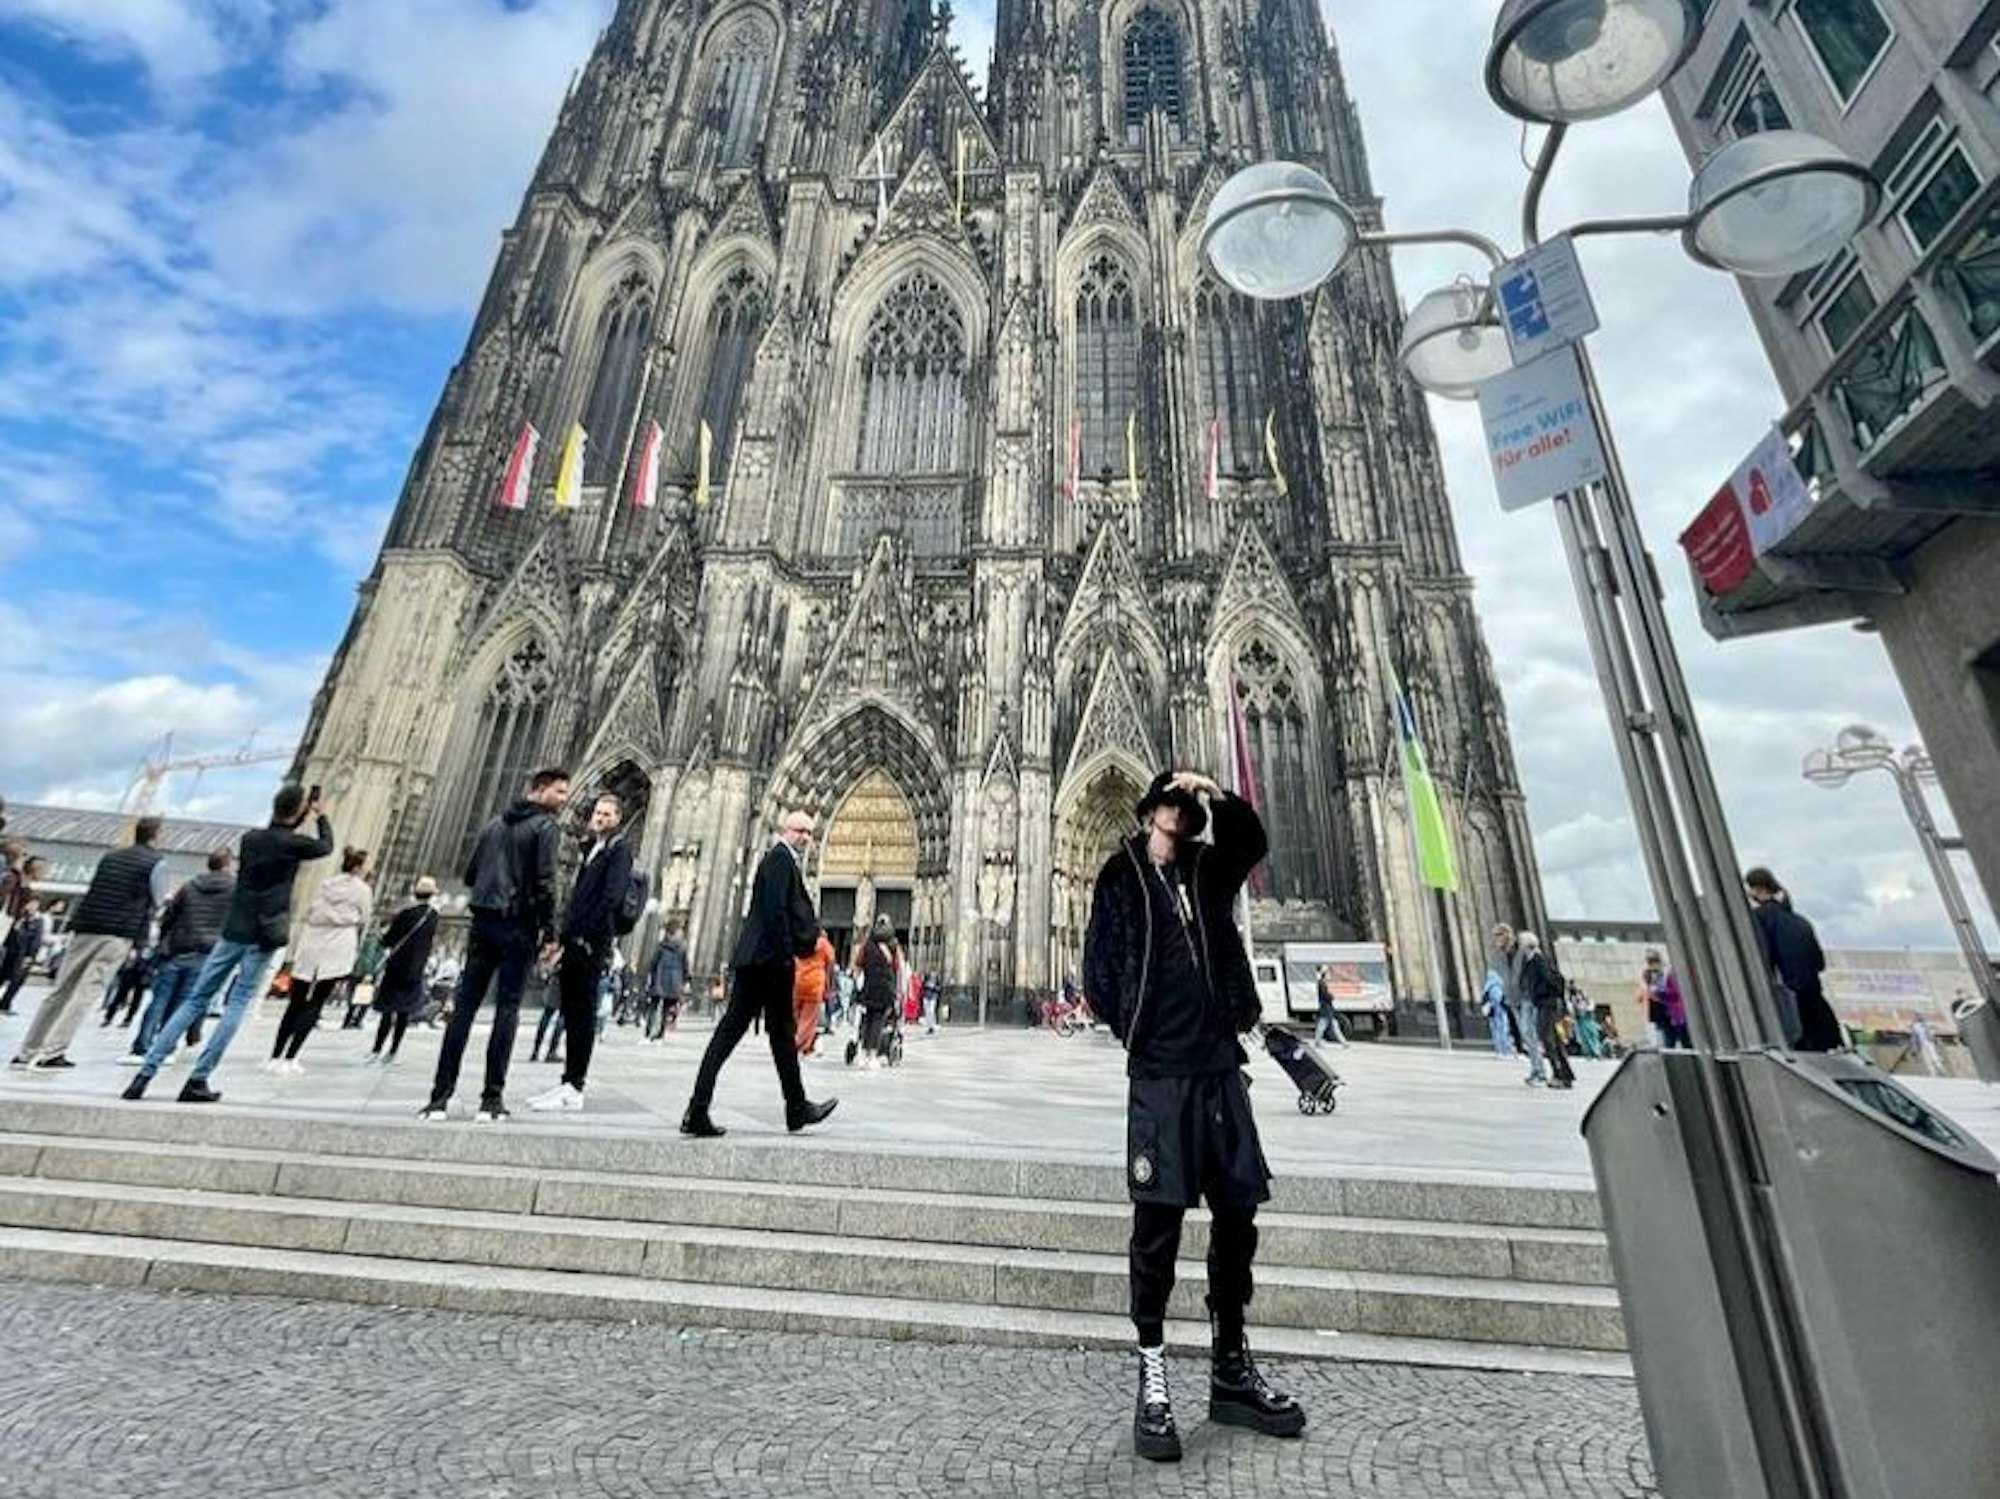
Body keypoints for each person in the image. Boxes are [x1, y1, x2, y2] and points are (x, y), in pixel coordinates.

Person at [1084, 769, 1304, 1464]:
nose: (1182, 811)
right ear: (1150, 810)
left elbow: (1253, 839)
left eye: (1188, 803)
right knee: (1157, 1226)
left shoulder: (1209, 872)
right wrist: (1135, 1025)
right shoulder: (1119, 877)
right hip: (1160, 1071)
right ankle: (1153, 1378)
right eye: (1173, 800)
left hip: (1217, 1067)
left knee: (1238, 1213)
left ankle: (1230, 1364)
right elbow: (1098, 970)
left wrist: (1215, 790)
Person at [121, 788, 333, 1102]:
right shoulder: (294, 844)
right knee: (238, 1002)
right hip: (263, 933)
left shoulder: (251, 839)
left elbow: (275, 835)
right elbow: (325, 846)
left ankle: (144, 1074)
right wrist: (321, 814)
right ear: (299, 811)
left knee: (196, 999)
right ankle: (199, 1078)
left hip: (235, 929)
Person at [420, 768, 567, 1122]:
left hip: (482, 923)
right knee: (507, 1009)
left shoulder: (493, 825)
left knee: (464, 1009)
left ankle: (439, 1098)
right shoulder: (545, 827)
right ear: (538, 790)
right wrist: (549, 930)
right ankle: (491, 1100)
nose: (564, 799)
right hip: (518, 924)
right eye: (560, 792)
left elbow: (471, 875)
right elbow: (546, 880)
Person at [679, 810, 836, 1138]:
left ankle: (796, 1107)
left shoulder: (782, 860)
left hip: (762, 961)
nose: (806, 837)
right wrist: (784, 957)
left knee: (779, 1036)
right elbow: (777, 911)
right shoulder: (779, 859)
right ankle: (699, 1109)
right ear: (785, 830)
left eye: (810, 833)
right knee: (733, 1035)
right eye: (800, 831)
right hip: (768, 963)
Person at [16, 817, 169, 1070]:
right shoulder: (157, 863)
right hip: (118, 932)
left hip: (86, 925)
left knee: (60, 990)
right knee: (86, 992)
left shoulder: (110, 857)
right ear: (157, 835)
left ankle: (27, 1049)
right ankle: (54, 1050)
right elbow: (157, 900)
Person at [530, 793, 634, 1113]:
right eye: (597, 812)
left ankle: (575, 1086)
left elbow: (612, 897)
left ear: (618, 818)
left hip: (588, 945)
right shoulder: (593, 849)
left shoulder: (619, 849)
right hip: (575, 942)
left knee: (582, 1014)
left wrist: (588, 936)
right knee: (572, 1013)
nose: (600, 818)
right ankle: (567, 1083)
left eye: (607, 813)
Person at [271, 847, 374, 1072]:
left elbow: (309, 911)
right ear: (357, 868)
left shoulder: (325, 884)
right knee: (316, 1003)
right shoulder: (362, 890)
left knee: (296, 1002)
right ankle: (291, 1057)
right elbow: (365, 917)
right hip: (337, 946)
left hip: (312, 942)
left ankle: (275, 1055)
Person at [1745, 867, 1840, 1051]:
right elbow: (1819, 963)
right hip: (1817, 1006)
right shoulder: (1800, 921)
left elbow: (1765, 961)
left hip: (1790, 1008)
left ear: (1758, 889)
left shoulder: (1759, 919)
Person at [366, 876, 440, 1065]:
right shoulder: (433, 916)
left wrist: (383, 936)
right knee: (404, 1012)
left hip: (397, 966)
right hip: (415, 970)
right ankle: (393, 1051)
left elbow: (389, 940)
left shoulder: (405, 914)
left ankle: (376, 1049)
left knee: (388, 1011)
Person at [1517, 932, 1574, 1090]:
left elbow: (1553, 980)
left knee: (1547, 1038)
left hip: (1547, 1004)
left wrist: (1544, 995)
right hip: (1545, 1003)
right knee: (1552, 1038)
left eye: (1521, 942)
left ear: (1527, 945)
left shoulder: (1538, 960)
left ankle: (1560, 1074)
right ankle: (1564, 1074)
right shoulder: (1532, 960)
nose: (1519, 946)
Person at [1491, 923, 1543, 1086]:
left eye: (1498, 935)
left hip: (1527, 996)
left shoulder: (1521, 951)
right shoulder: (1501, 955)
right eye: (1495, 936)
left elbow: (1532, 969)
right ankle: (1537, 1069)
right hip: (1514, 999)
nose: (1496, 939)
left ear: (1507, 934)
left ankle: (1539, 1071)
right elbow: (1505, 977)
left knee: (1529, 1032)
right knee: (1526, 1034)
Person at [851, 916, 901, 1070]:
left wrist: (858, 984)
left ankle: (863, 1053)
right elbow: (897, 968)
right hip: (885, 989)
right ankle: (873, 1055)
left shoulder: (867, 946)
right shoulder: (893, 946)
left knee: (867, 1020)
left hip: (869, 987)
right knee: (878, 1022)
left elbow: (858, 965)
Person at [793, 928, 835, 1057]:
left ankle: (806, 1046)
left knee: (797, 1016)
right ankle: (796, 1044)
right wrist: (828, 985)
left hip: (798, 981)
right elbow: (831, 961)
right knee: (809, 1019)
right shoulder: (823, 944)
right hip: (815, 983)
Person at [646, 922, 688, 1039]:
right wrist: (683, 981)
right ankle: (659, 1033)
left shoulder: (661, 946)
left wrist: (652, 977)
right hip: (673, 981)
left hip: (660, 979)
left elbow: (653, 963)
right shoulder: (682, 948)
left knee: (655, 1008)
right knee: (664, 1009)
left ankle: (650, 1032)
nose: (680, 935)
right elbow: (685, 967)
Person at [1312, 965, 1349, 1047]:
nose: (1329, 975)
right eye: (1327, 974)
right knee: (1327, 1025)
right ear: (1324, 975)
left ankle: (1343, 1042)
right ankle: (1344, 1043)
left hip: (1326, 1008)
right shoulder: (1321, 983)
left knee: (1328, 1025)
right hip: (1326, 1008)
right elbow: (1324, 995)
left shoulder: (1322, 983)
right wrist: (1331, 996)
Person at [1480, 967, 1512, 1059]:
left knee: (1495, 1031)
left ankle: (1499, 1051)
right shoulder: (1495, 987)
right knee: (1503, 1030)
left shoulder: (1487, 987)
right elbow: (1498, 1000)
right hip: (1499, 1012)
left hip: (1492, 1014)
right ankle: (1505, 1051)